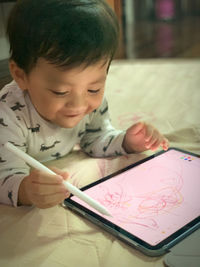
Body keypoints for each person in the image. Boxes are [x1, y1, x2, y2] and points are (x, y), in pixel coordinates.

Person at [0, 0, 169, 209]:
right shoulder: (7, 115)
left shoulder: (91, 103)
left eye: (94, 89)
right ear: (20, 75)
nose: (79, 105)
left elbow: (95, 139)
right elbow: (4, 176)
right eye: (60, 92)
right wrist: (26, 190)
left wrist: (127, 142)